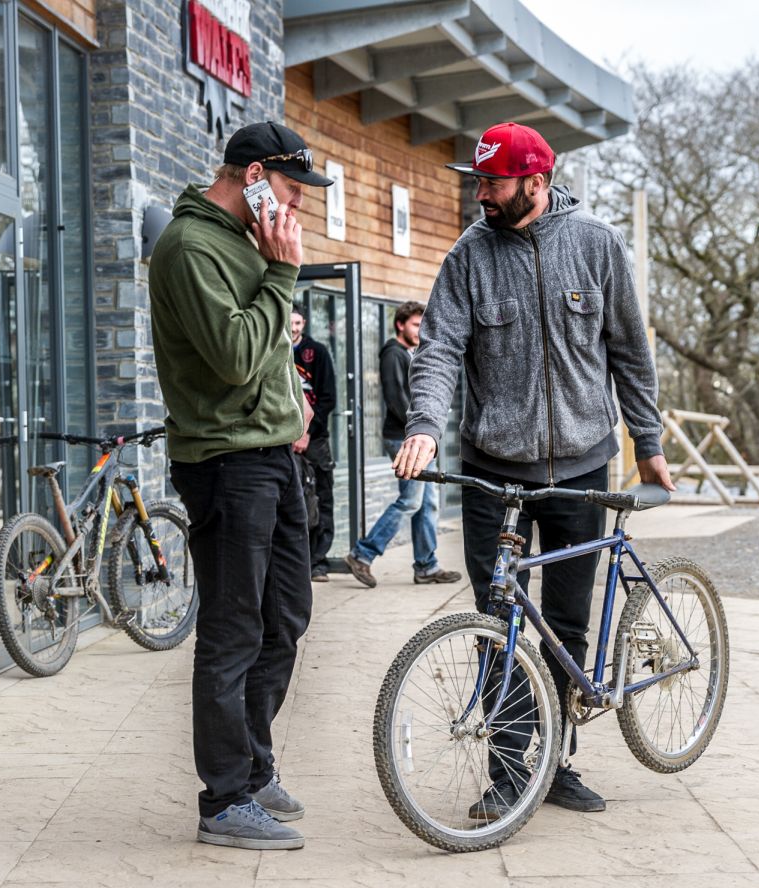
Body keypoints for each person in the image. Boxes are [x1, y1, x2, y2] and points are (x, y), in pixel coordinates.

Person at [393, 122, 675, 819]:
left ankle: (557, 760)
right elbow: (437, 351)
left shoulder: (599, 246)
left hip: (583, 466)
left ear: (537, 184)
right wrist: (425, 425)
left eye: (491, 182)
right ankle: (509, 772)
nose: (479, 193)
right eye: (478, 180)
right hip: (496, 470)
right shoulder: (469, 255)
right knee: (498, 622)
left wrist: (648, 442)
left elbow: (631, 355)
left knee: (567, 625)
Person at [148, 121, 333, 851]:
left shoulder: (245, 239)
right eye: (292, 189)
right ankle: (224, 800)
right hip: (226, 463)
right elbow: (231, 357)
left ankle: (253, 770)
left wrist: (291, 399)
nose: (298, 207)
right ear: (254, 175)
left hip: (270, 455)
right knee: (231, 631)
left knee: (287, 615)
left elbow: (265, 352)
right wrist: (283, 272)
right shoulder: (190, 245)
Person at [343, 301, 462, 589]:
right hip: (404, 438)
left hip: (414, 439)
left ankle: (426, 565)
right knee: (410, 501)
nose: (420, 331)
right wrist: (419, 432)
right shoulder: (393, 354)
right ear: (400, 325)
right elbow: (397, 399)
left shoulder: (409, 353)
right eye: (415, 325)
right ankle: (363, 553)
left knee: (427, 503)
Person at [289, 305, 337, 581]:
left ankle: (319, 562)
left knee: (322, 496)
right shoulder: (276, 348)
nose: (293, 327)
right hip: (286, 439)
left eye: (297, 322)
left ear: (304, 323)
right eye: (289, 322)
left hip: (315, 439)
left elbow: (328, 398)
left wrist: (307, 432)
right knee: (295, 499)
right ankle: (297, 562)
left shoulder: (316, 352)